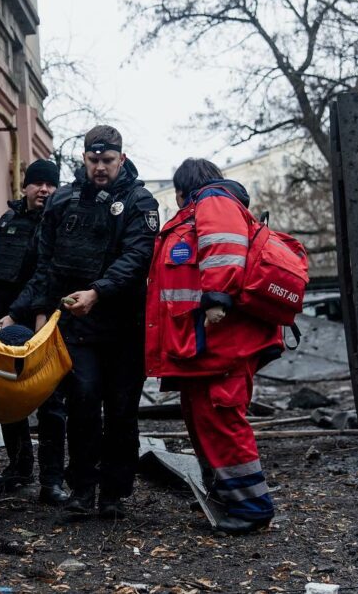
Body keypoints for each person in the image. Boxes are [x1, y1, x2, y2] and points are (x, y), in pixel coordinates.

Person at [0, 126, 159, 519]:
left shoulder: (140, 202)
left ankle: (114, 493)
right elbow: (44, 265)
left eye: (107, 160)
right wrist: (17, 312)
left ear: (121, 158)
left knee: (121, 410)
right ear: (83, 158)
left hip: (123, 326)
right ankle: (82, 489)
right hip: (77, 327)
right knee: (83, 405)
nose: (100, 168)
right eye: (93, 160)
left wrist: (98, 292)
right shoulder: (64, 201)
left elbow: (138, 258)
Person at [145, 158, 282, 535]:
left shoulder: (213, 202)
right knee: (207, 420)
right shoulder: (208, 207)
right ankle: (228, 495)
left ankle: (252, 506)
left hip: (221, 345)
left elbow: (222, 251)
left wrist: (217, 300)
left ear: (181, 189)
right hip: (205, 347)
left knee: (222, 421)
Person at [0, 159, 68, 505]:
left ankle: (52, 479)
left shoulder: (58, 222)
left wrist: (17, 315)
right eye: (38, 184)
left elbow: (46, 276)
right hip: (4, 322)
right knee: (6, 395)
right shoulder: (8, 221)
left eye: (50, 184)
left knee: (50, 401)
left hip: (39, 321)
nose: (44, 190)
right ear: (25, 187)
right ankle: (19, 466)